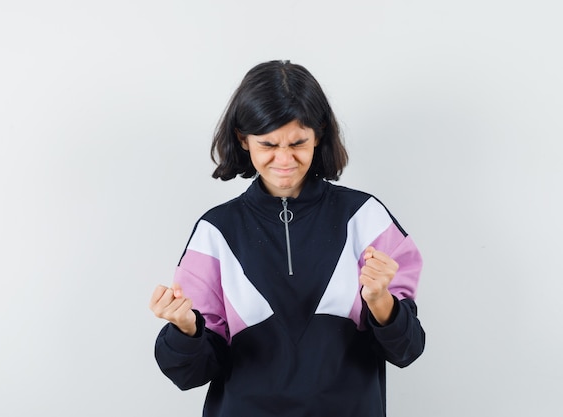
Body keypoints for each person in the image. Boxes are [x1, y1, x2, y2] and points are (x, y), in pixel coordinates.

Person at [149, 60, 425, 417]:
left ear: (319, 135)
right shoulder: (216, 232)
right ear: (242, 139)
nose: (284, 159)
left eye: (298, 142)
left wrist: (380, 301)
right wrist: (186, 328)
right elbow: (191, 374)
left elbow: (407, 350)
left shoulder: (365, 219)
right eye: (268, 144)